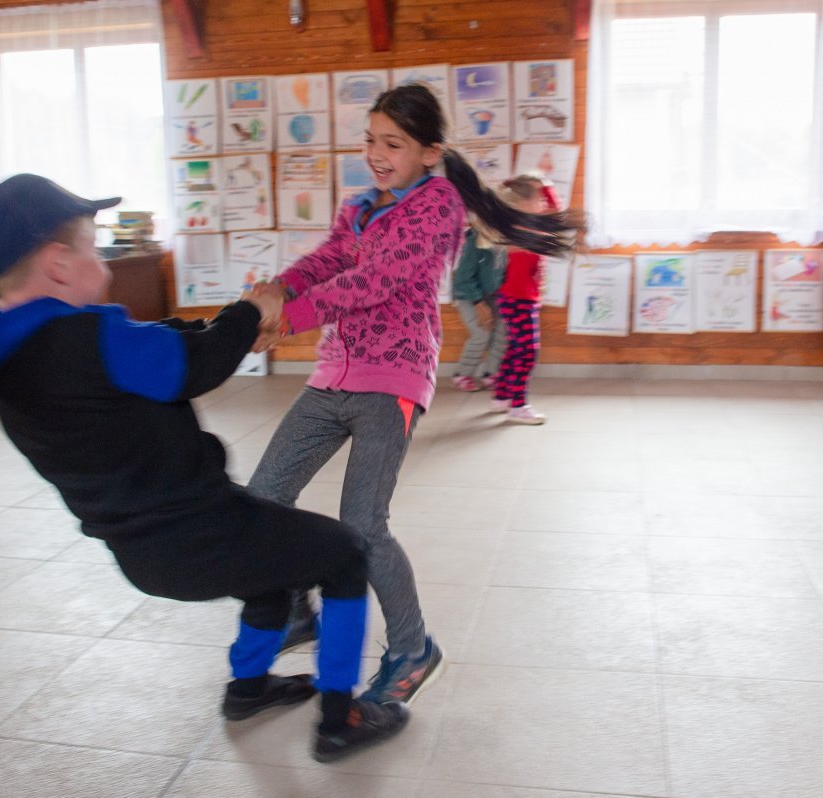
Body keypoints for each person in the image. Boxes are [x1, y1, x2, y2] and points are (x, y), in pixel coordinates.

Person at [0, 173, 406, 764]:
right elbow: (193, 365)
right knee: (344, 554)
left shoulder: (5, 353)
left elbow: (151, 345)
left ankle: (249, 690)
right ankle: (339, 719)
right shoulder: (89, 337)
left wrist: (229, 328)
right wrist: (250, 311)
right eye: (94, 247)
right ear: (59, 264)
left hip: (142, 549)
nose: (102, 262)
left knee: (272, 571)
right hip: (201, 529)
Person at [246, 84, 579, 706]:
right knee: (264, 495)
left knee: (362, 523)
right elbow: (329, 260)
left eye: (393, 144)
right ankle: (293, 610)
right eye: (370, 139)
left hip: (392, 378)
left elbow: (374, 280)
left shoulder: (437, 207)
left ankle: (412, 649)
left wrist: (287, 317)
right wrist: (278, 289)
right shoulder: (361, 205)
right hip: (334, 374)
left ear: (429, 152)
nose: (376, 153)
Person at [489, 174, 561, 425]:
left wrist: (539, 185)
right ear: (522, 204)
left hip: (518, 298)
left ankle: (501, 397)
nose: (543, 203)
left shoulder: (523, 226)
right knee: (528, 352)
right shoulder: (520, 230)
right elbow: (556, 216)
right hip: (517, 300)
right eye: (539, 199)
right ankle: (518, 405)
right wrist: (545, 185)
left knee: (516, 349)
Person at [449, 220, 507, 392]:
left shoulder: (507, 239)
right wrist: (478, 304)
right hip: (468, 294)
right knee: (482, 334)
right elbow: (463, 279)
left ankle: (490, 373)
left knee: (502, 333)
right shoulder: (475, 240)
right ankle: (462, 374)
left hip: (493, 295)